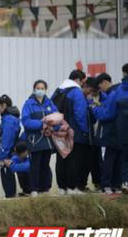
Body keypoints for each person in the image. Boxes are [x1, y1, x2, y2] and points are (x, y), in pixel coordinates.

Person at [53, 70, 90, 195]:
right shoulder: (76, 92)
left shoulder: (58, 90)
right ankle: (71, 188)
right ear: (78, 79)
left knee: (61, 158)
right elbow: (80, 114)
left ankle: (61, 188)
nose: (84, 85)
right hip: (74, 131)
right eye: (83, 82)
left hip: (59, 131)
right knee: (73, 160)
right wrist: (85, 130)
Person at [92, 66, 128, 194]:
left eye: (100, 86)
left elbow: (107, 114)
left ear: (104, 83)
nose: (100, 90)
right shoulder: (118, 91)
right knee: (118, 161)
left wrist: (95, 109)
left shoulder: (113, 94)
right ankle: (117, 186)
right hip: (119, 134)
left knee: (106, 161)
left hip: (108, 134)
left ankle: (106, 186)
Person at [21, 80, 57, 197]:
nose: (40, 90)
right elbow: (26, 121)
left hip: (47, 141)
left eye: (42, 88)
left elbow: (57, 118)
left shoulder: (49, 103)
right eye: (38, 88)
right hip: (35, 140)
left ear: (45, 90)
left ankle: (45, 188)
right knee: (35, 165)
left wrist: (52, 126)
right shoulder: (29, 104)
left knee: (45, 165)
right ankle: (34, 189)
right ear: (34, 89)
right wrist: (41, 124)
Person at [0, 95, 22, 198]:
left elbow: (7, 139)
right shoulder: (10, 118)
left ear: (4, 105)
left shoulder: (8, 120)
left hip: (7, 154)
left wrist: (3, 157)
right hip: (10, 152)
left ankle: (10, 196)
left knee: (7, 179)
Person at [79, 77, 100, 192]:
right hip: (87, 136)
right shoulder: (81, 99)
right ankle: (82, 184)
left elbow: (93, 119)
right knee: (85, 163)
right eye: (91, 90)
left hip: (97, 137)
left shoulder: (101, 98)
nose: (92, 93)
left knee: (96, 162)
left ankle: (98, 183)